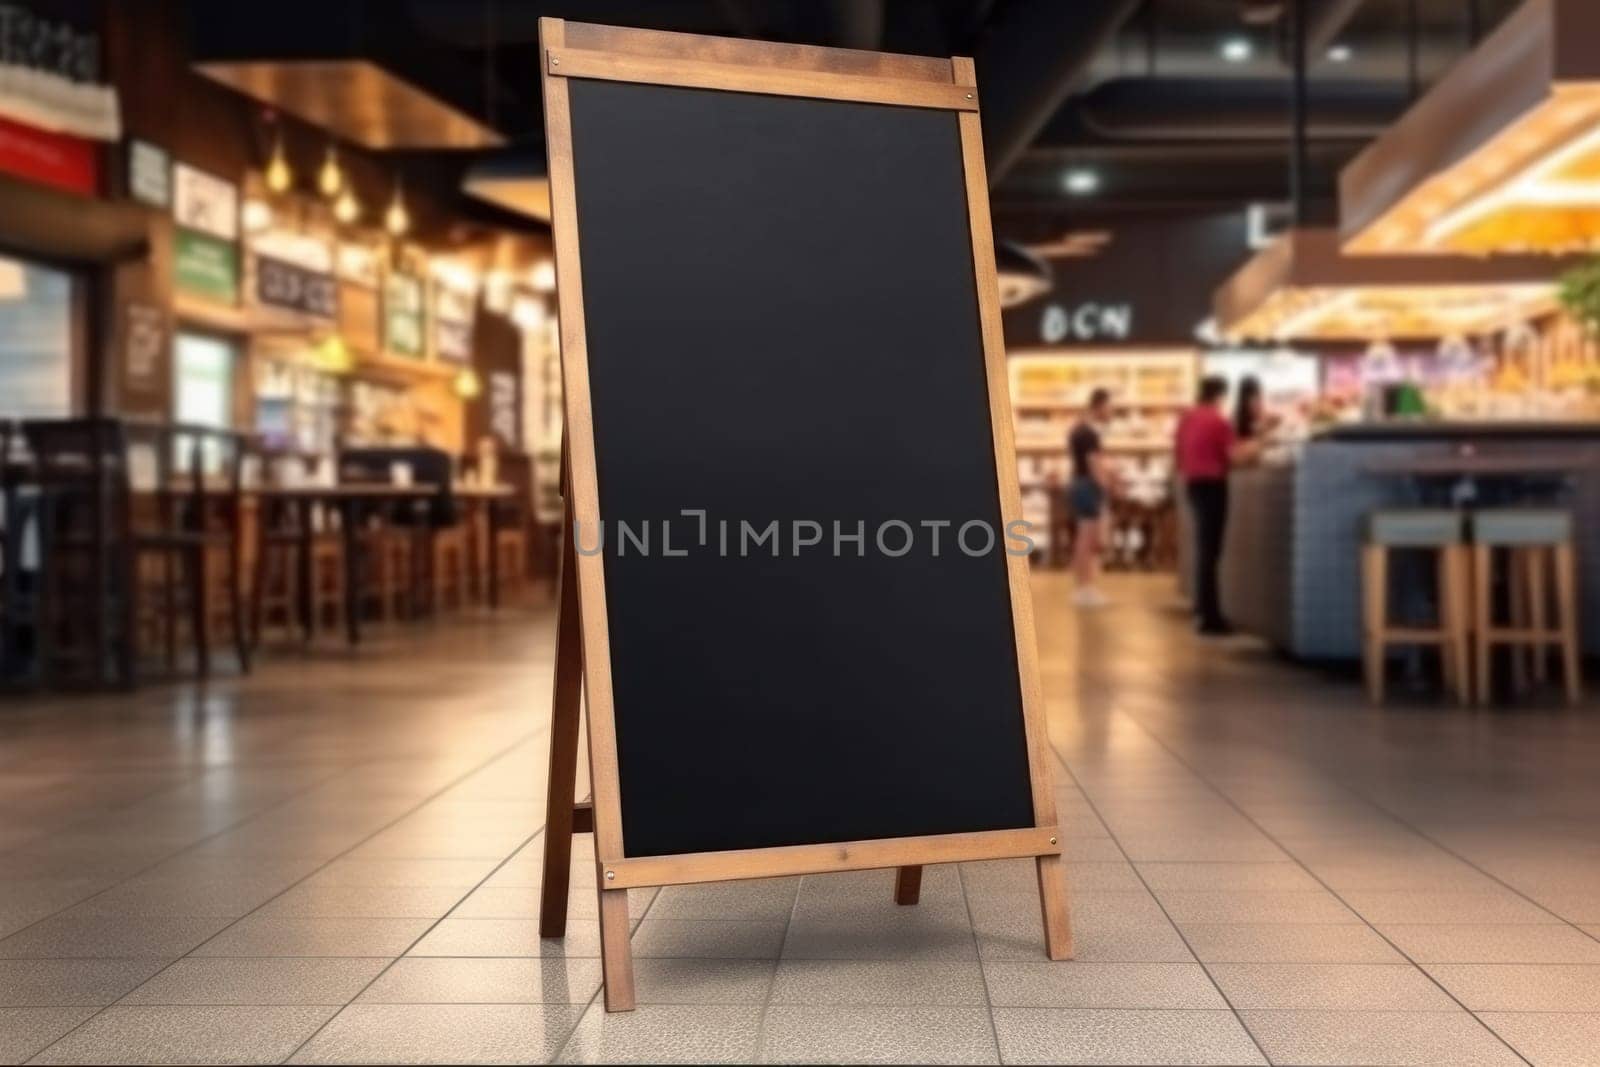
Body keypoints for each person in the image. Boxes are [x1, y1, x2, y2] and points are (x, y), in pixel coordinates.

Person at [1175, 376, 1256, 635]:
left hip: (1193, 484)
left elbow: (1178, 454)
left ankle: (1202, 609)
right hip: (1213, 484)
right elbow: (1235, 457)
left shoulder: (1187, 418)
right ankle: (1211, 618)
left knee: (1204, 548)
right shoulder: (1220, 421)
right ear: (1221, 395)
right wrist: (1259, 444)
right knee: (1211, 551)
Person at [1068, 387, 1114, 608]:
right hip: (1088, 486)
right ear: (1099, 405)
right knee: (1088, 540)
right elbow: (1094, 464)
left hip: (1080, 484)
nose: (1111, 411)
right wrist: (1106, 487)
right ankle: (1085, 589)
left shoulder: (1079, 430)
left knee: (1084, 538)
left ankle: (1084, 587)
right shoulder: (1089, 433)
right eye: (1109, 406)